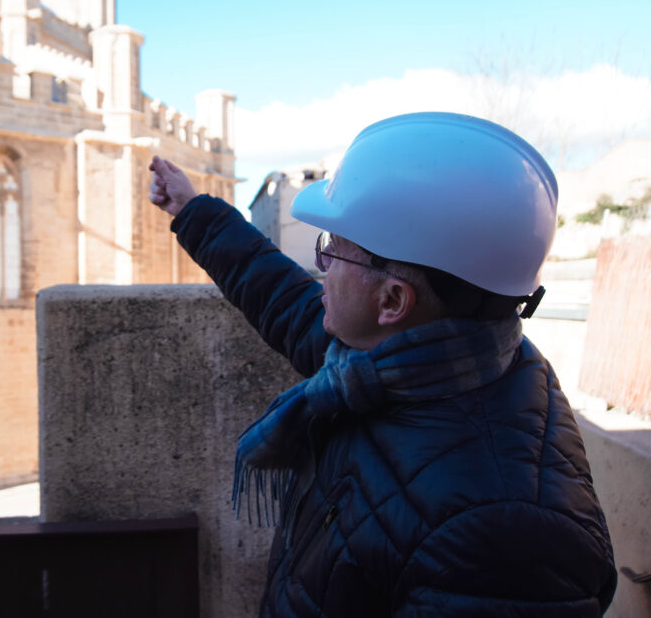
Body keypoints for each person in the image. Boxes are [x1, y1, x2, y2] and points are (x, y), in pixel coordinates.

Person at [148, 112, 617, 617]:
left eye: (332, 251)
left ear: (393, 300)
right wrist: (193, 211)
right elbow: (283, 300)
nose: (322, 269)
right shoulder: (407, 361)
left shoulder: (508, 536)